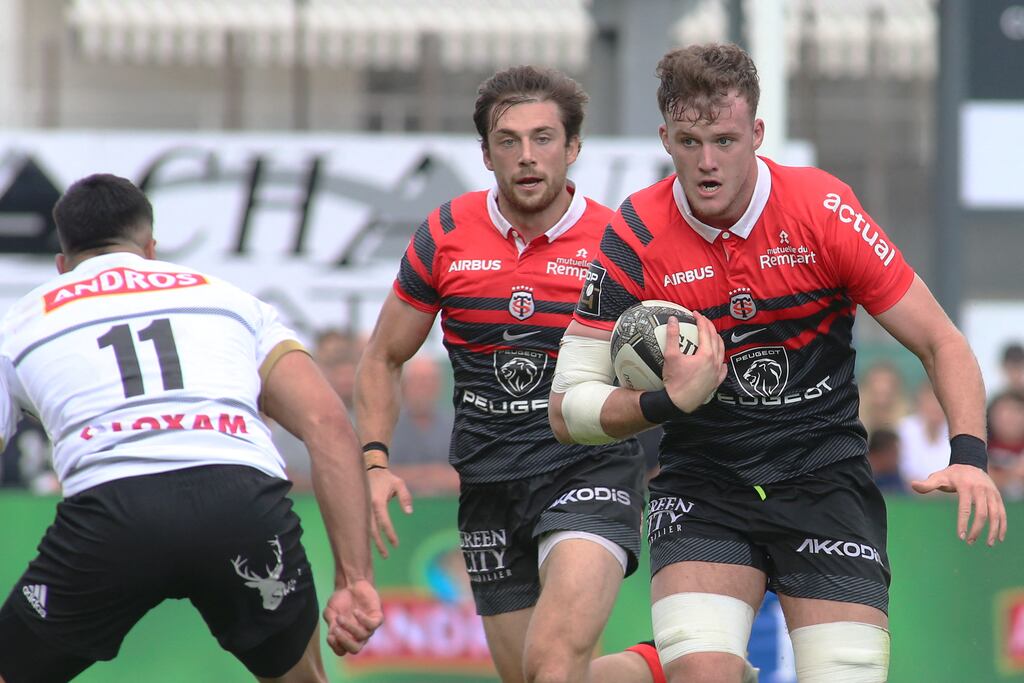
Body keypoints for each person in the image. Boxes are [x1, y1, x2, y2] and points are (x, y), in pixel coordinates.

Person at [549, 43, 1006, 683]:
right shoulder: (636, 232)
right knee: (703, 674)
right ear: (665, 139)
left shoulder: (821, 209)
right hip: (705, 483)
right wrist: (665, 401)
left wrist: (970, 456)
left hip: (824, 478)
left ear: (758, 134)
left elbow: (940, 341)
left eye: (726, 141)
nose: (707, 162)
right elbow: (566, 409)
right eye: (689, 142)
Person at [354, 65, 689, 683]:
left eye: (543, 138)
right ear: (486, 155)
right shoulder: (445, 233)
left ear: (573, 147)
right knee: (539, 678)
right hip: (488, 481)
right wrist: (375, 462)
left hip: (588, 469)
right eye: (508, 141)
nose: (527, 156)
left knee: (553, 664)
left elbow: (681, 351)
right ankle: (668, 671)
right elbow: (383, 356)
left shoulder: (618, 241)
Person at [0, 174, 382, 683]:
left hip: (112, 513)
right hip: (240, 504)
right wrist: (354, 579)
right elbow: (327, 424)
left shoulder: (19, 323)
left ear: (62, 265)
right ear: (151, 249)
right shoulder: (230, 300)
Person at [389, 353, 459, 495]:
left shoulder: (455, 425)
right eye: (417, 382)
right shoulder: (388, 428)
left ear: (438, 386)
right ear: (404, 386)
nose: (423, 388)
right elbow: (380, 474)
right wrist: (430, 474)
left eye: (428, 382)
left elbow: (466, 475)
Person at [896, 380, 950, 486]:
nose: (935, 407)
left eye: (939, 402)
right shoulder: (903, 429)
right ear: (920, 403)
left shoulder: (956, 431)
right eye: (930, 401)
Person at [987, 389, 1024, 500]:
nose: (1010, 418)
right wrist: (1013, 475)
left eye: (1016, 411)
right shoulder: (979, 447)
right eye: (1003, 412)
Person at [866, 428, 907, 495]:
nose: (897, 458)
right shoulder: (861, 479)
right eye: (893, 453)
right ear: (876, 455)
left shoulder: (893, 475)